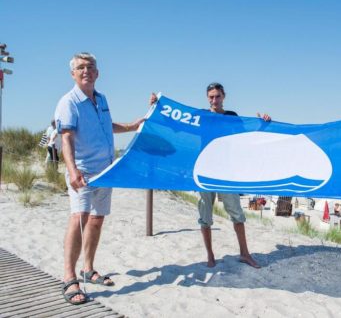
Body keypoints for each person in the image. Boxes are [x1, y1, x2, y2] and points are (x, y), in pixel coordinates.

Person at [55, 52, 144, 305]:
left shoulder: (101, 99)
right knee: (79, 220)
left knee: (96, 220)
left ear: (97, 73)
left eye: (90, 67)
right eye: (81, 67)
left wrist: (130, 126)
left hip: (106, 170)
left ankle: (88, 268)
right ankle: (69, 277)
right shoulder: (69, 101)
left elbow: (106, 125)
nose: (86, 71)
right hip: (83, 172)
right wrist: (72, 171)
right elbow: (67, 138)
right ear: (73, 73)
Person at [150, 82, 270, 269]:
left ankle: (245, 253)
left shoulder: (232, 117)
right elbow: (178, 123)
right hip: (205, 171)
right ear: (208, 98)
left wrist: (262, 122)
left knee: (237, 214)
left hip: (226, 172)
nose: (214, 100)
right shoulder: (202, 116)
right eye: (211, 97)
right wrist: (158, 107)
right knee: (205, 216)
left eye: (218, 96)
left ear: (224, 96)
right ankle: (210, 255)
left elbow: (248, 133)